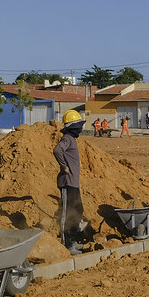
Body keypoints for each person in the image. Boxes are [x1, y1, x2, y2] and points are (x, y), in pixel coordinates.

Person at [54, 109, 87, 254]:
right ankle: (66, 244)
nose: (81, 128)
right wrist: (63, 166)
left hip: (73, 183)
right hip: (67, 182)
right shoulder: (67, 138)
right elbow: (57, 150)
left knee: (78, 210)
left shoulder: (71, 139)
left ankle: (72, 240)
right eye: (79, 125)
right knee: (68, 213)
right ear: (74, 126)